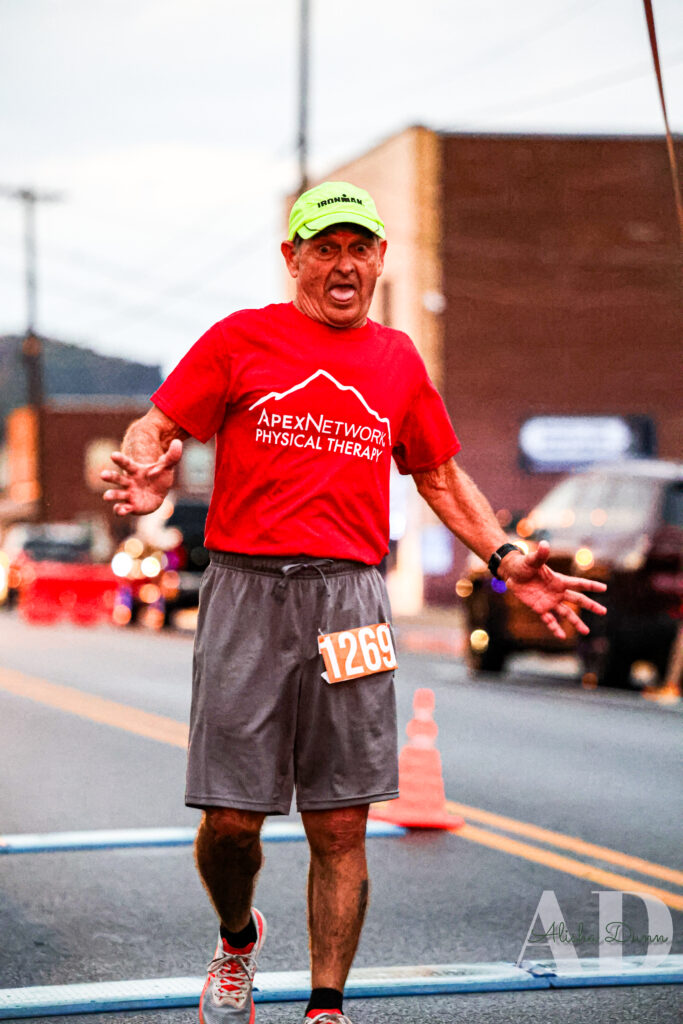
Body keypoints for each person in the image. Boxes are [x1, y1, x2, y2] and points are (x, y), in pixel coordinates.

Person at [101, 181, 607, 1024]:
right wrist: (146, 463)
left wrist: (508, 554)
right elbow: (158, 427)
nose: (343, 265)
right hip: (246, 591)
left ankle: (326, 1008)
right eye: (324, 247)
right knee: (232, 822)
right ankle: (236, 938)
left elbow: (438, 474)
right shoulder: (240, 338)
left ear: (378, 258)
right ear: (292, 257)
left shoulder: (398, 359)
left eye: (358, 248)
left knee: (340, 824)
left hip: (352, 600)